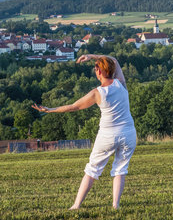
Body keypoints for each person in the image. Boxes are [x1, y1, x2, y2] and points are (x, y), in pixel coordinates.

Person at [32, 54, 137, 209]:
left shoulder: (97, 93)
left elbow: (74, 106)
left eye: (96, 69)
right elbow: (114, 59)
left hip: (107, 135)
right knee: (120, 169)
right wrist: (91, 56)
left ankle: (76, 205)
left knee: (92, 169)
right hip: (128, 133)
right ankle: (116, 205)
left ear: (99, 72)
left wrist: (50, 110)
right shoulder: (121, 84)